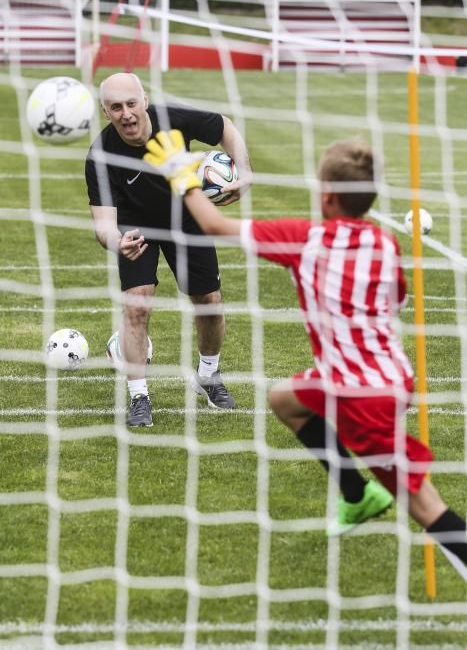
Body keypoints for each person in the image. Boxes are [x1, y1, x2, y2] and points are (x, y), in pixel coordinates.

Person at [143, 129, 467, 579]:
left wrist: (182, 173)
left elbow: (215, 225)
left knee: (425, 505)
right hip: (386, 372)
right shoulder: (384, 243)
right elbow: (395, 300)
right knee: (285, 399)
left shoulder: (305, 238)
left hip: (363, 392)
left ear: (328, 196)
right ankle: (357, 495)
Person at [85, 73, 253, 427]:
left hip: (186, 215)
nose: (126, 114)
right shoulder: (100, 155)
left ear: (144, 100)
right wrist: (118, 242)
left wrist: (246, 172)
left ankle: (208, 375)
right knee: (137, 303)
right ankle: (139, 397)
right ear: (105, 111)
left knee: (209, 301)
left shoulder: (173, 119)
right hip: (135, 227)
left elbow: (224, 126)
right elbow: (103, 224)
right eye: (116, 107)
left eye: (131, 103)